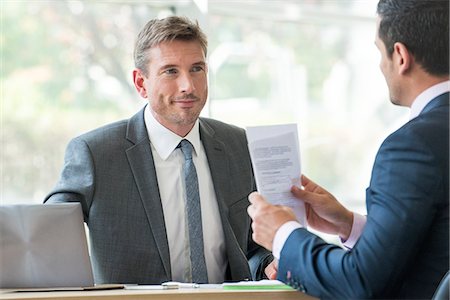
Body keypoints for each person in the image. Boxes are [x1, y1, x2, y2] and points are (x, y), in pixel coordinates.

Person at [45, 16, 273, 285]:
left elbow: (251, 248)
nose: (188, 85)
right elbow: (45, 238)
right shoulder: (96, 154)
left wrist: (270, 265)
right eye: (170, 71)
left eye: (197, 69)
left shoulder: (237, 144)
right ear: (141, 83)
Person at [247, 0, 449, 299]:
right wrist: (350, 224)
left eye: (379, 51)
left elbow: (359, 283)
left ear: (400, 56)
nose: (380, 66)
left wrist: (283, 236)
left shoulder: (412, 146)